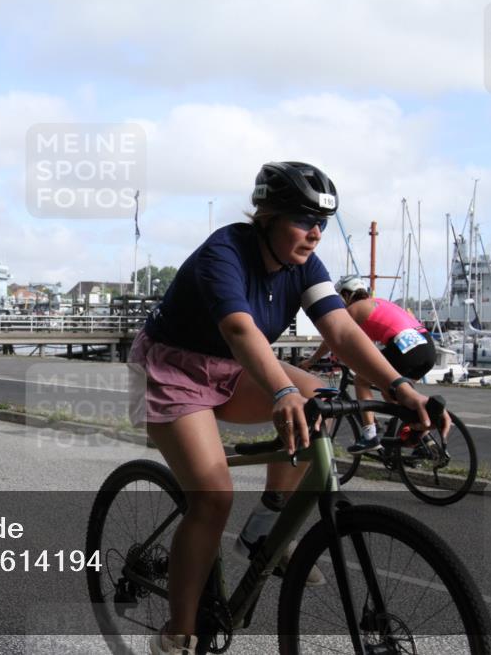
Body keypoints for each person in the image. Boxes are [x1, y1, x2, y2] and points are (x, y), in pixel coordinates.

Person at [127, 161, 449, 655]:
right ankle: (177, 635)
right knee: (212, 498)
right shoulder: (225, 251)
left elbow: (341, 331)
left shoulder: (305, 267)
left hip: (232, 369)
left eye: (321, 222)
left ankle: (264, 529)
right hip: (174, 370)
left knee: (319, 398)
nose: (315, 233)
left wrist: (401, 388)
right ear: (267, 216)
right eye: (302, 219)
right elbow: (240, 330)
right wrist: (280, 393)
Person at [299, 275, 437, 453]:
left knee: (361, 381)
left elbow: (331, 338)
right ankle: (422, 437)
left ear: (346, 295)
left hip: (406, 348)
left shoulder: (354, 309)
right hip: (426, 348)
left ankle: (369, 435)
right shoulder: (378, 303)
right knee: (395, 393)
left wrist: (312, 361)